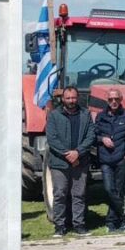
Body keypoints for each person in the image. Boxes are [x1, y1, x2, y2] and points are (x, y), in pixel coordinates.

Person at [45, 86, 96, 237]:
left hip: (80, 161)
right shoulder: (54, 115)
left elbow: (91, 135)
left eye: (73, 98)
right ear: (63, 99)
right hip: (59, 162)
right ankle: (60, 226)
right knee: (60, 193)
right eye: (68, 98)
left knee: (79, 194)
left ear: (77, 97)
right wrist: (67, 154)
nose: (71, 101)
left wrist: (78, 152)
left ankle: (79, 225)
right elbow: (52, 138)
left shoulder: (85, 114)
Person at [94, 88, 125, 233]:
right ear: (107, 100)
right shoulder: (100, 116)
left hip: (121, 159)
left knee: (119, 190)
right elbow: (93, 135)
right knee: (108, 189)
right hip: (106, 159)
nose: (114, 102)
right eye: (111, 99)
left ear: (120, 99)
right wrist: (102, 139)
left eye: (116, 99)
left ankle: (111, 222)